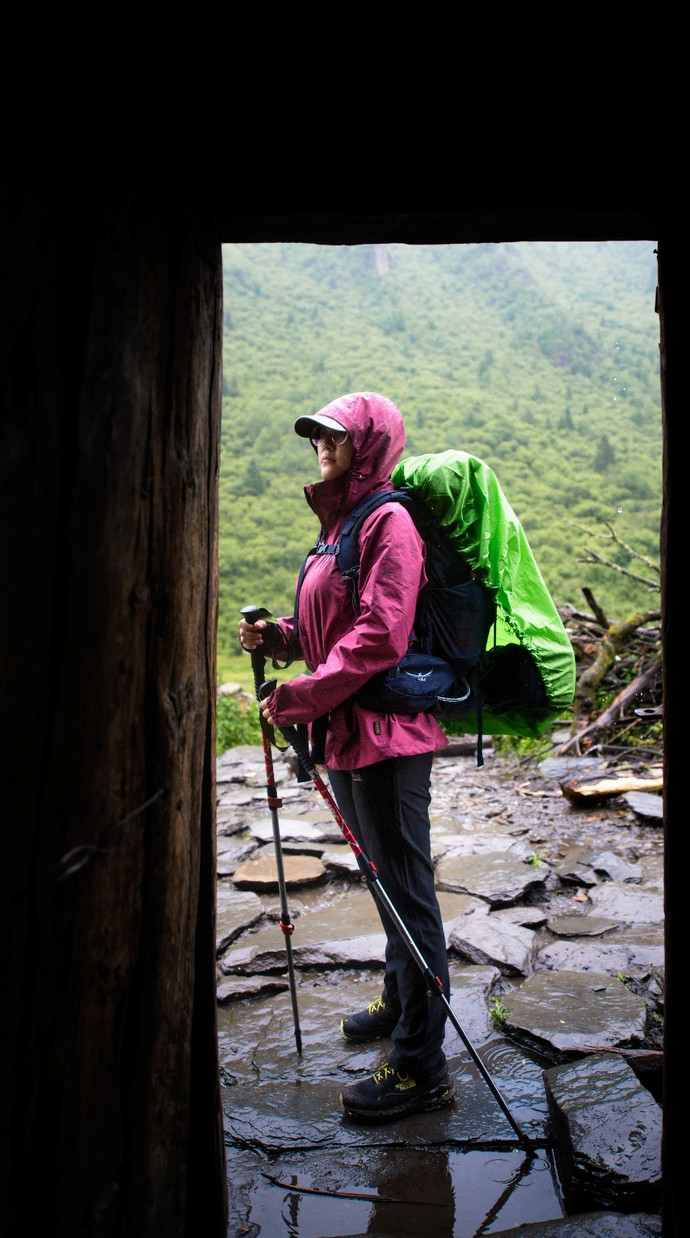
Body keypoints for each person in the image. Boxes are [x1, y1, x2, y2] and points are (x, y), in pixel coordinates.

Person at [238, 391, 454, 1121]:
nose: (320, 444)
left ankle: (423, 1067)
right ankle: (401, 1003)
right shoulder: (337, 529)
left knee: (406, 891)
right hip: (348, 733)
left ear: (366, 443)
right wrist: (281, 637)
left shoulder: (388, 521)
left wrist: (301, 696)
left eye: (332, 434)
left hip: (389, 738)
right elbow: (329, 627)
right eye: (314, 436)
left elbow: (380, 638)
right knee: (381, 881)